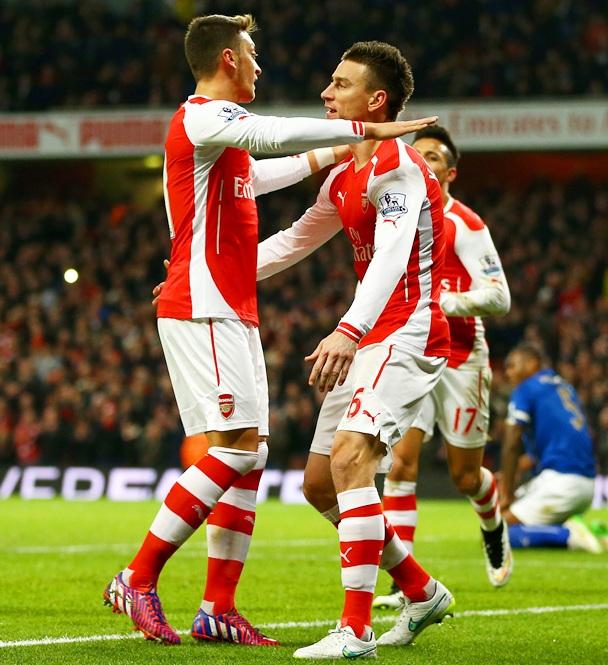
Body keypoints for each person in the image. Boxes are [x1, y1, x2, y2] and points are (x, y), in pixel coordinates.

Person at [102, 14, 437, 647]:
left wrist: (341, 149)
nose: (262, 67)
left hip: (230, 302)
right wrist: (359, 131)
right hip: (205, 304)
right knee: (232, 449)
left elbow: (262, 178)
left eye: (339, 85)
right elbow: (269, 137)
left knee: (251, 454)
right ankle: (138, 575)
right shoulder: (204, 117)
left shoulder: (235, 152)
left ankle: (218, 607)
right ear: (228, 59)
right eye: (252, 56)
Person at [257, 41, 454, 660]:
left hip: (407, 330)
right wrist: (202, 274)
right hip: (369, 333)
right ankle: (421, 592)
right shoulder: (347, 171)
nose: (326, 92)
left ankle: (356, 630)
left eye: (340, 84)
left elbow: (394, 254)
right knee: (320, 485)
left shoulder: (398, 166)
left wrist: (345, 329)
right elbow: (292, 241)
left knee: (350, 463)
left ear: (376, 101)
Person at [373, 125, 512, 611]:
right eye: (418, 154)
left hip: (459, 356)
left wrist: (442, 302)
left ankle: (492, 522)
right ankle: (403, 580)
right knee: (400, 465)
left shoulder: (466, 224)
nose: (422, 161)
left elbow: (499, 296)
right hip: (412, 351)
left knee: (464, 477)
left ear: (450, 172)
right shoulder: (398, 218)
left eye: (433, 157)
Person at [499, 343, 608, 553]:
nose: (508, 373)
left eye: (512, 366)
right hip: (586, 483)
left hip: (562, 482)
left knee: (497, 534)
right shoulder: (563, 387)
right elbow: (552, 447)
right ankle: (592, 532)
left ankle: (569, 535)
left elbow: (511, 442)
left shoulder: (527, 388)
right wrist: (517, 468)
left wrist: (506, 492)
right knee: (509, 518)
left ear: (532, 363)